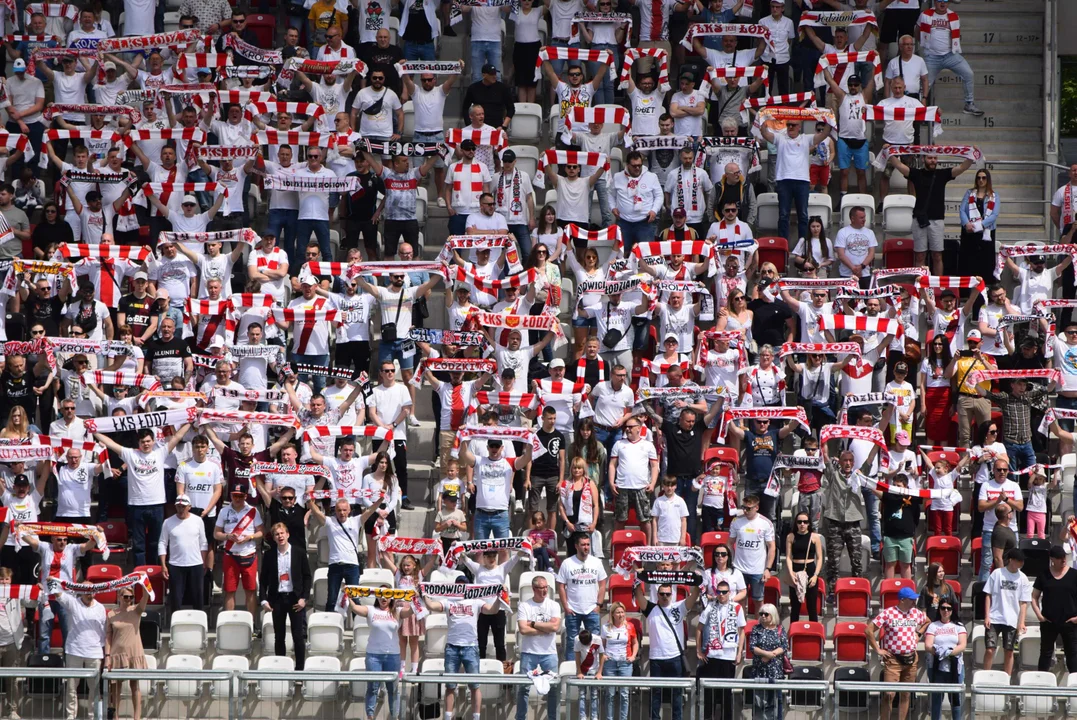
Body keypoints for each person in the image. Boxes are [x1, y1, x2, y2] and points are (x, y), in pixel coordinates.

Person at [889, 153, 975, 275]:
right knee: (920, 256)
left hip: (937, 220)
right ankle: (920, 286)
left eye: (935, 158)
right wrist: (889, 152)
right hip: (919, 220)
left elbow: (962, 168)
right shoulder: (916, 174)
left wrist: (971, 154)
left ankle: (937, 286)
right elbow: (898, 165)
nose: (933, 161)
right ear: (924, 159)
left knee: (937, 255)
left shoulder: (942, 174)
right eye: (930, 158)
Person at [758, 111, 832, 243]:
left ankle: (803, 247)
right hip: (783, 181)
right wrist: (762, 117)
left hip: (802, 181)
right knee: (783, 215)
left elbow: (825, 134)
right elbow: (764, 133)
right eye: (789, 125)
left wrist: (829, 118)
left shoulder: (806, 138)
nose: (790, 127)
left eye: (793, 125)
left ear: (799, 126)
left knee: (803, 216)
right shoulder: (780, 137)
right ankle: (783, 245)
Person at [634, 580, 700, 720]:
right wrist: (637, 578)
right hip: (656, 658)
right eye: (662, 594)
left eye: (668, 594)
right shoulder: (651, 608)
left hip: (675, 657)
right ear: (657, 595)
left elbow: (694, 595)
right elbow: (638, 594)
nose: (665, 596)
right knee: (655, 693)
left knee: (676, 694)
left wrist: (697, 581)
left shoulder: (679, 607)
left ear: (672, 594)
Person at [867, 586, 931, 720]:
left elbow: (927, 622)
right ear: (902, 600)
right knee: (889, 694)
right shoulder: (888, 613)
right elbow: (868, 630)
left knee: (906, 694)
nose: (914, 602)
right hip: (893, 660)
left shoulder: (915, 612)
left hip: (911, 659)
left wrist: (918, 633)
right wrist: (878, 649)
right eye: (911, 600)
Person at [349, 591, 416, 719]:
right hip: (374, 656)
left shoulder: (397, 611)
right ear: (377, 597)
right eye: (381, 595)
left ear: (392, 597)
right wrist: (347, 596)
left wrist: (416, 598)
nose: (383, 598)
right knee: (373, 688)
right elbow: (355, 608)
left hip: (393, 656)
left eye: (387, 595)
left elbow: (411, 611)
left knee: (393, 690)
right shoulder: (371, 610)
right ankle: (370, 716)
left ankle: (394, 716)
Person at [260, 522, 312, 670]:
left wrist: (304, 598)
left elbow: (307, 576)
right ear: (274, 538)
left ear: (287, 534)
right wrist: (264, 599)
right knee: (279, 636)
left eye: (282, 533)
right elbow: (263, 579)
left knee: (298, 636)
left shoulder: (299, 552)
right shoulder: (269, 555)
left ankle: (299, 671)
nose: (280, 536)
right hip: (277, 599)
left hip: (295, 599)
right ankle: (282, 670)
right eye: (277, 534)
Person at [918, 0, 984, 116]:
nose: (943, 3)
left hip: (950, 55)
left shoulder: (954, 16)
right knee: (924, 84)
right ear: (934, 2)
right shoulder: (925, 15)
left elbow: (956, 35)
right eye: (940, 1)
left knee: (968, 74)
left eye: (946, 1)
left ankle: (969, 104)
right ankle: (920, 110)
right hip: (932, 56)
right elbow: (917, 30)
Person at [696, 579, 745, 720]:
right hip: (712, 655)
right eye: (719, 592)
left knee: (726, 695)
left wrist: (739, 652)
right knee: (710, 694)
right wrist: (698, 650)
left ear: (730, 593)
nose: (722, 594)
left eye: (724, 592)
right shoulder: (710, 607)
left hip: (729, 656)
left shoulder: (737, 607)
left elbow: (742, 631)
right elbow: (699, 629)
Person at [515, 575, 562, 720]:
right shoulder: (525, 606)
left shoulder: (553, 605)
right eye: (542, 588)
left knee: (553, 688)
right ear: (534, 589)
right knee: (523, 689)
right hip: (529, 652)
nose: (545, 591)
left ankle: (552, 717)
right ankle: (521, 717)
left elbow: (555, 627)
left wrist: (533, 624)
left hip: (549, 653)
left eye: (546, 587)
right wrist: (545, 628)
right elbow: (523, 629)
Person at [214, 483, 265, 616]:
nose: (237, 499)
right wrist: (228, 536)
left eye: (240, 496)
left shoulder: (253, 510)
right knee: (230, 590)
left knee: (251, 590)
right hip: (230, 555)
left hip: (249, 554)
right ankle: (229, 623)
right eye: (234, 496)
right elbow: (216, 533)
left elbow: (261, 532)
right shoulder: (224, 511)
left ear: (245, 496)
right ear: (230, 495)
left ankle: (252, 624)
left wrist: (250, 537)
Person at [57, 587, 107, 720]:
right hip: (74, 650)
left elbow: (103, 629)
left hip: (95, 652)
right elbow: (58, 594)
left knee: (95, 688)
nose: (88, 594)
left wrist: (102, 649)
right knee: (72, 686)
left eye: (91, 591)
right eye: (86, 591)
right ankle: (71, 716)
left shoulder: (101, 608)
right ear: (81, 591)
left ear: (95, 592)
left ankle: (93, 716)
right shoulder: (73, 602)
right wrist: (51, 581)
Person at [556, 533, 608, 657]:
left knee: (594, 640)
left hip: (592, 609)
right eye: (583, 544)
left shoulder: (596, 562)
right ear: (576, 546)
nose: (586, 547)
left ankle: (592, 669)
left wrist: (598, 605)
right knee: (572, 641)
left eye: (588, 544)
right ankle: (571, 669)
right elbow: (561, 586)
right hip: (573, 609)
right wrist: (566, 607)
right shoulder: (567, 563)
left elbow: (602, 584)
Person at [983, 548, 1032, 676]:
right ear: (1011, 560)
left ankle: (1007, 680)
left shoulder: (1023, 578)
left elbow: (1024, 603)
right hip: (994, 617)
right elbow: (988, 595)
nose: (1021, 563)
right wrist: (987, 615)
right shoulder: (997, 573)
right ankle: (985, 676)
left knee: (1009, 651)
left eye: (1022, 561)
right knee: (989, 649)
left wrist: (1021, 622)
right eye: (1019, 561)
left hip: (1011, 619)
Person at [105, 584, 150, 720]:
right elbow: (108, 636)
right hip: (117, 654)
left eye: (131, 597)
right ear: (119, 597)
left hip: (134, 653)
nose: (128, 599)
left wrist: (143, 582)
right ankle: (116, 717)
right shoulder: (111, 614)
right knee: (116, 688)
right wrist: (107, 656)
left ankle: (137, 717)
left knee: (135, 686)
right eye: (126, 597)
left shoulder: (136, 610)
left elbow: (146, 596)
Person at [158, 494, 210, 612]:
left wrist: (203, 561)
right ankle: (175, 624)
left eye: (183, 507)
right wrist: (163, 565)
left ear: (189, 507)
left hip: (195, 563)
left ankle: (199, 623)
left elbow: (203, 543)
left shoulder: (198, 521)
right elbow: (162, 543)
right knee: (176, 599)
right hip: (176, 564)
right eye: (178, 506)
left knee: (198, 597)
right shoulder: (168, 522)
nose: (180, 509)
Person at [1032, 545, 1077, 673]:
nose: (1063, 560)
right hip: (1048, 621)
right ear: (1052, 559)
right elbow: (1034, 597)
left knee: (1073, 655)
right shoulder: (1044, 575)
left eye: (1064, 557)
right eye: (1059, 558)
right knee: (1045, 654)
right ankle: (1041, 685)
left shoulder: (1074, 575)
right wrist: (1039, 616)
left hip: (1070, 622)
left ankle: (1075, 687)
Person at [924, 600, 966, 720]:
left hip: (955, 667)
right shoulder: (933, 625)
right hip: (936, 667)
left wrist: (949, 653)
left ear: (953, 610)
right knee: (936, 700)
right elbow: (928, 645)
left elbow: (962, 645)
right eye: (943, 608)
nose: (946, 611)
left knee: (956, 699)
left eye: (949, 608)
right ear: (939, 609)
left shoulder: (959, 626)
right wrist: (940, 652)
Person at [748, 603, 788, 720]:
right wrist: (766, 654)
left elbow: (784, 646)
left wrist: (771, 655)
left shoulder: (780, 629)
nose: (763, 616)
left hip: (775, 671)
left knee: (777, 699)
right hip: (760, 670)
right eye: (761, 614)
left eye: (766, 614)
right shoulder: (756, 629)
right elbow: (752, 647)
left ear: (773, 615)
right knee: (758, 701)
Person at [785, 512, 823, 622]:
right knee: (795, 606)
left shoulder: (814, 537)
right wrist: (791, 573)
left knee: (812, 606)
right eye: (799, 522)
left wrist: (816, 575)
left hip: (810, 568)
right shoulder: (791, 536)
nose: (802, 524)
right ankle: (793, 632)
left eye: (805, 522)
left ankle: (814, 633)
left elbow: (820, 558)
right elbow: (788, 556)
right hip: (796, 569)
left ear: (809, 524)